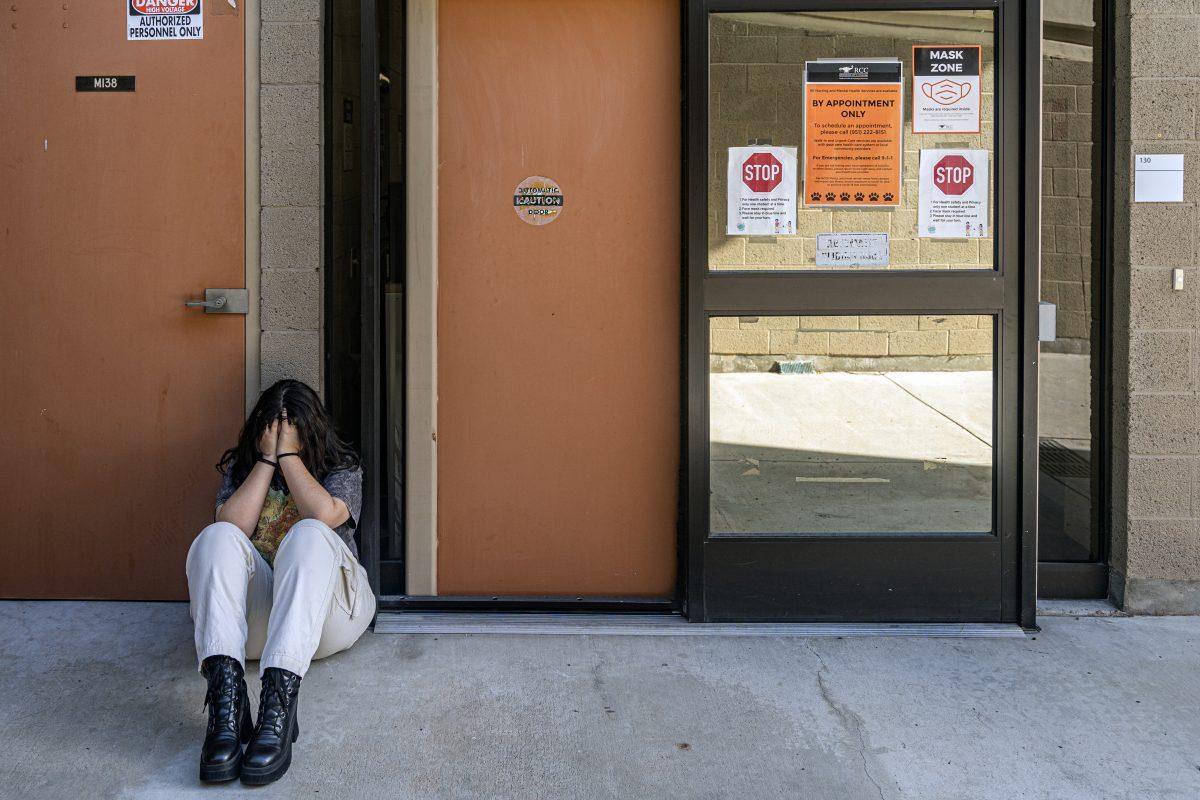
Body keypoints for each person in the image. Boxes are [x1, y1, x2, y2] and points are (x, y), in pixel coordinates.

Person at [185, 379, 376, 785]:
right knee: (215, 536)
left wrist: (288, 456)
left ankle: (278, 707)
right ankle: (228, 709)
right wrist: (266, 462)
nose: (280, 437)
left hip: (329, 617)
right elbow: (233, 524)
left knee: (308, 533)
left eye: (291, 431)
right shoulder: (244, 469)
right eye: (274, 431)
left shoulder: (342, 469)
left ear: (312, 430)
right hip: (262, 626)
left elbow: (324, 515)